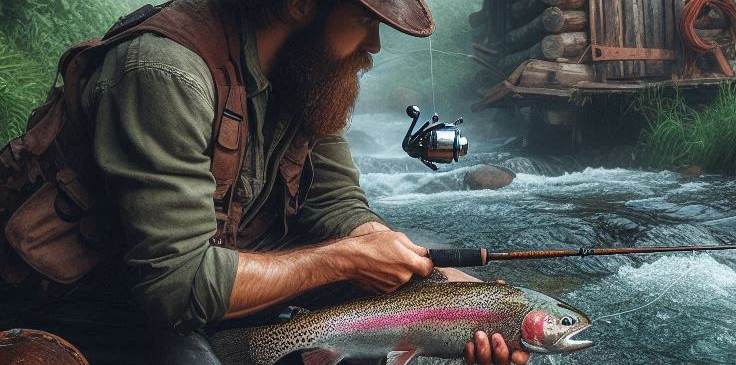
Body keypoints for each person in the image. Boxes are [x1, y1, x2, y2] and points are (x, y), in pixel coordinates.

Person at [0, 0, 529, 364]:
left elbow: (338, 206)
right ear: (299, 4)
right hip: (83, 300)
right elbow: (175, 287)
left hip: (205, 286)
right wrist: (345, 260)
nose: (376, 44)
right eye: (363, 18)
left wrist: (443, 290)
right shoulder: (165, 72)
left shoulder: (306, 75)